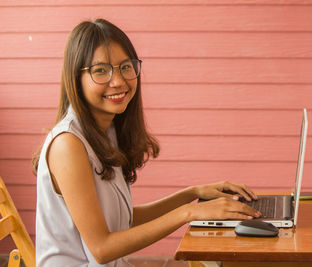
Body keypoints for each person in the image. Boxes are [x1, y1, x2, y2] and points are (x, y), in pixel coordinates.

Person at [33, 18, 260, 266]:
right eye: (101, 70)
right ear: (75, 79)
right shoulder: (68, 144)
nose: (118, 81)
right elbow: (102, 248)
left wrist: (192, 194)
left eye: (125, 67)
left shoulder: (105, 131)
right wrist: (189, 213)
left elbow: (124, 219)